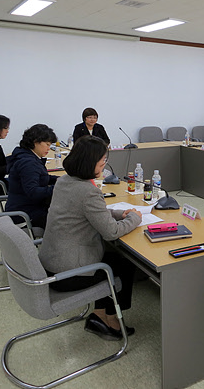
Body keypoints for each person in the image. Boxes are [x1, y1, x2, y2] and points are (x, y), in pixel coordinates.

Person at [39, 135, 142, 340]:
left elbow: (85, 212)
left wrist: (117, 214)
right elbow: (111, 232)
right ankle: (111, 318)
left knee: (115, 260)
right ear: (89, 163)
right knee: (124, 266)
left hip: (52, 261)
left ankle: (100, 315)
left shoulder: (65, 181)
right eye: (103, 161)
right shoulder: (87, 191)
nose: (105, 165)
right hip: (68, 273)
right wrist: (134, 218)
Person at [5, 124, 59, 229]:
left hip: (24, 207)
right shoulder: (28, 163)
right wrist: (59, 188)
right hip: (24, 215)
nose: (49, 148)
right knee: (69, 219)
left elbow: (40, 177)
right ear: (36, 142)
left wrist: (59, 180)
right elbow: (33, 192)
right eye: (47, 144)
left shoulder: (27, 156)